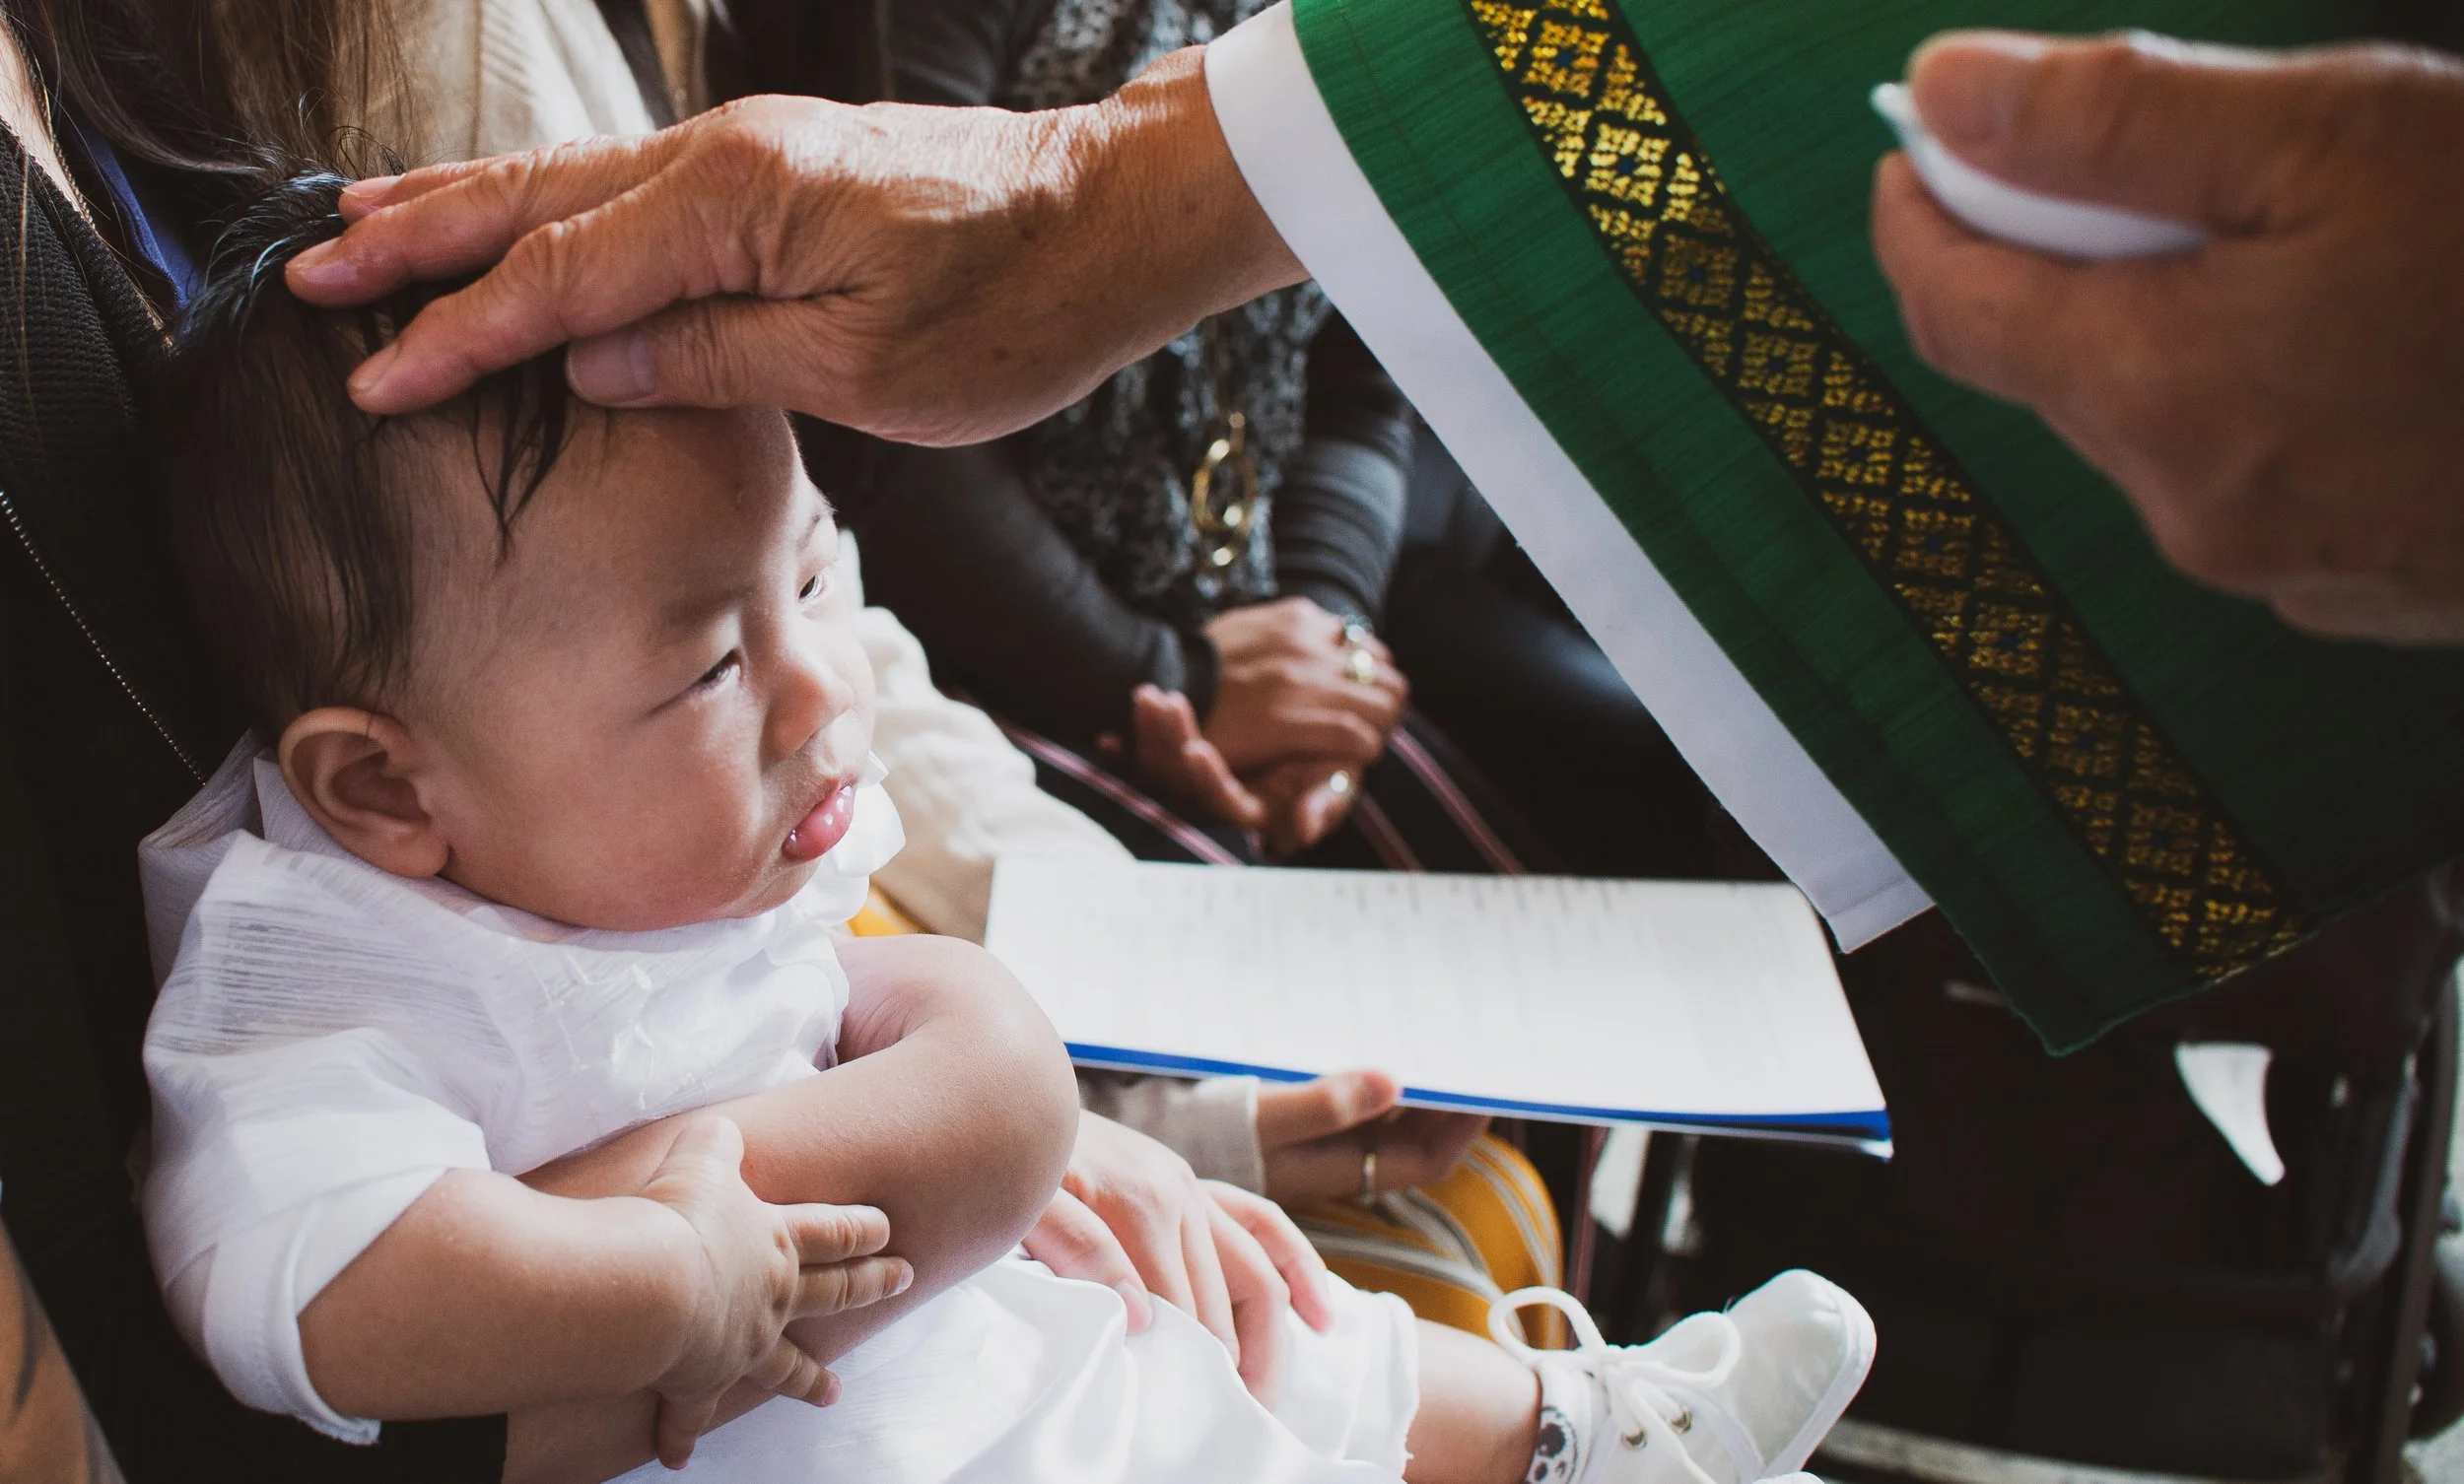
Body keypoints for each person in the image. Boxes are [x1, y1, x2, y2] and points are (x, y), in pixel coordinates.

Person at [288, 0, 2464, 1051]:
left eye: (796, 619)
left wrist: (1305, 589)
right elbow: (844, 476)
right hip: (1118, 657)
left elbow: (1351, 339)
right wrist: (1150, 681)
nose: (805, 673)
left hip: (1271, 616)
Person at [137, 171, 1875, 1484]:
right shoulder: (323, 975)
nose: (820, 683)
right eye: (710, 666)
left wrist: (1093, 1109)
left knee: (1273, 1342)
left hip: (982, 1343)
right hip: (892, 1431)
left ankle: (1590, 1426)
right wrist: (661, 1279)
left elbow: (854, 1011)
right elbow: (284, 1275)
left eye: (811, 571)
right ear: (383, 788)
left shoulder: (638, 815)